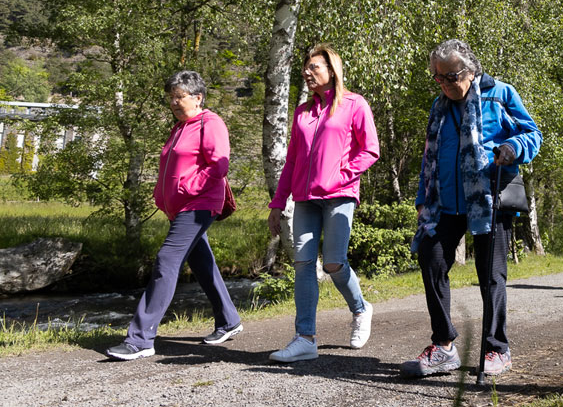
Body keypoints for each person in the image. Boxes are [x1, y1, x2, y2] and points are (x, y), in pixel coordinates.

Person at [400, 39, 542, 378]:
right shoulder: (438, 107)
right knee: (431, 259)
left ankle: (497, 349)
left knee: (490, 275)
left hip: (488, 199)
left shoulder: (500, 94)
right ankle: (444, 346)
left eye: (451, 76)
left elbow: (532, 134)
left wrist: (512, 147)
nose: (445, 84)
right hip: (444, 203)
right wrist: (422, 199)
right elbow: (430, 157)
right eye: (438, 77)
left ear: (470, 70)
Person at [106, 70, 242, 361]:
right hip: (180, 207)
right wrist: (162, 195)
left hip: (199, 204)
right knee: (202, 263)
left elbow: (219, 165)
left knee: (166, 260)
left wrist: (186, 188)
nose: (173, 103)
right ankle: (229, 320)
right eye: (171, 97)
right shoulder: (179, 127)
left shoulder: (211, 123)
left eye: (179, 97)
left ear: (197, 97)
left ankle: (140, 339)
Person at [266, 44, 380, 362]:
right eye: (305, 67)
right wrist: (278, 202)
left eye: (314, 66)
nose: (307, 72)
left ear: (332, 70)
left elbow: (370, 149)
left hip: (339, 195)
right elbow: (291, 161)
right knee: (303, 264)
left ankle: (361, 309)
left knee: (333, 262)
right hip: (304, 199)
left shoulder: (354, 104)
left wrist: (341, 174)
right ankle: (305, 338)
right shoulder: (302, 113)